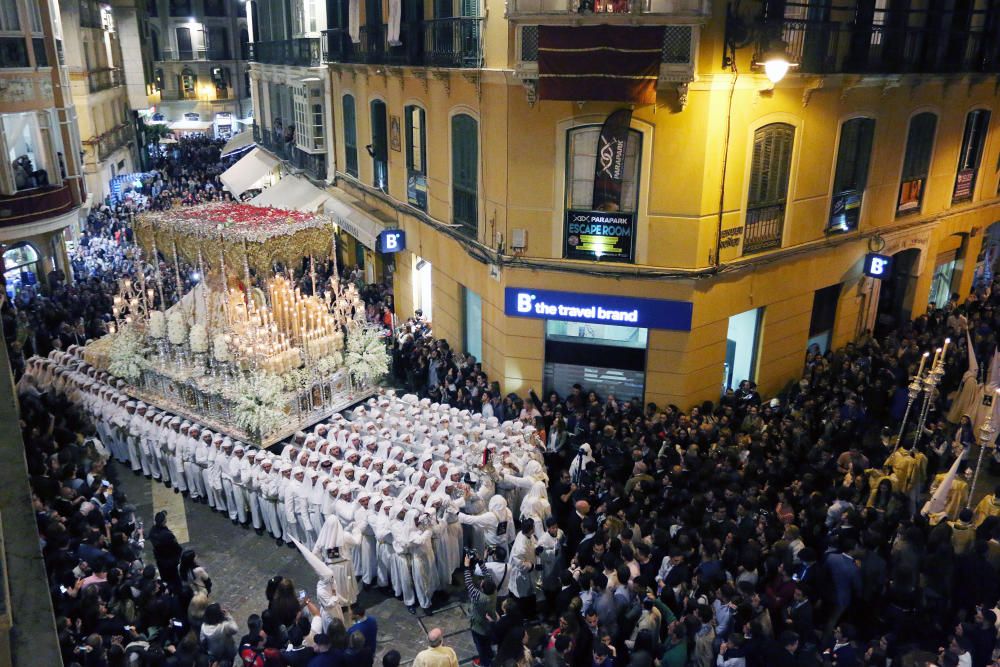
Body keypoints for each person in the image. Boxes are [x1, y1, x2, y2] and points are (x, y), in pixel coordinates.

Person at [464, 553, 498, 667]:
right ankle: (489, 654)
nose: (481, 581)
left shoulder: (479, 597)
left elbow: (468, 583)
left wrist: (466, 567)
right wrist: (479, 560)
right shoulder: (493, 590)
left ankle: (484, 662)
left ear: (482, 589)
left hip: (478, 627)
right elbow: (487, 574)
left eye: (482, 583)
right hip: (489, 624)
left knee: (480, 646)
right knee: (487, 643)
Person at [148, 510, 183, 590]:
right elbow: (176, 546)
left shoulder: (152, 531)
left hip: (160, 559)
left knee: (165, 577)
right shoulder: (167, 535)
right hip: (170, 559)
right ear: (164, 521)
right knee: (175, 578)